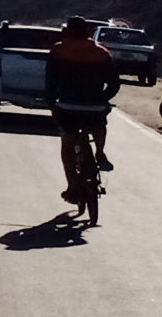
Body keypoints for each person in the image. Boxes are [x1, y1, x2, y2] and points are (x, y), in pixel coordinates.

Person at [46, 15, 121, 201]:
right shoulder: (102, 53)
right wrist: (103, 98)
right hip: (94, 106)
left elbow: (50, 84)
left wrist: (51, 105)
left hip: (67, 106)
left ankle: (72, 187)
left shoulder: (57, 51)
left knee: (67, 146)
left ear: (66, 32)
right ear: (87, 32)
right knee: (99, 124)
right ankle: (100, 153)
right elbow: (114, 84)